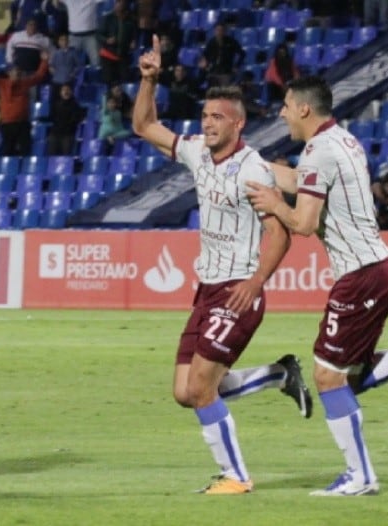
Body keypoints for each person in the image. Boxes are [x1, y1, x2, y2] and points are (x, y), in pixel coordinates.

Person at [132, 36, 307, 495]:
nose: (207, 124)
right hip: (207, 290)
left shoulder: (253, 170)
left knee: (201, 390)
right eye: (205, 115)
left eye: (217, 118)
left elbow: (279, 233)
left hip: (238, 290)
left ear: (239, 123)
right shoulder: (195, 152)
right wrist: (148, 80)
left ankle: (236, 476)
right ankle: (279, 374)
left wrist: (256, 281)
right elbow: (144, 125)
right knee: (183, 392)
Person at [247, 75, 388, 496]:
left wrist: (275, 204)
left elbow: (305, 224)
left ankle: (360, 476)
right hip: (378, 266)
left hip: (361, 274)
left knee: (328, 377)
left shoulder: (318, 153)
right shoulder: (341, 141)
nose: (282, 113)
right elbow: (303, 180)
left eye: (286, 106)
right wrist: (252, 165)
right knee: (349, 376)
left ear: (304, 109)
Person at [0, 51, 49, 156]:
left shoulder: (25, 82)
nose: (17, 73)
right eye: (14, 71)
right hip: (7, 124)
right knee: (7, 149)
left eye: (18, 71)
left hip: (23, 123)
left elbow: (39, 76)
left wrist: (44, 61)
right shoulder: (1, 83)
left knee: (25, 149)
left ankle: (25, 171)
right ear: (9, 73)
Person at [97, 0, 137, 85]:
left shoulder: (130, 20)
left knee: (126, 78)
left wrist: (133, 42)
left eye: (123, 3)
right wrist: (107, 40)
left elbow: (134, 35)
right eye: (118, 3)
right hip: (108, 55)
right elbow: (99, 35)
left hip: (123, 55)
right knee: (108, 80)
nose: (120, 5)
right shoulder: (107, 18)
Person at [198, 23, 244, 88]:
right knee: (213, 94)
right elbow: (205, 55)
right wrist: (205, 64)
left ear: (225, 31)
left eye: (221, 30)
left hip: (226, 72)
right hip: (213, 72)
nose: (219, 32)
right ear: (215, 31)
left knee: (224, 93)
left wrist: (237, 66)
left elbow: (242, 54)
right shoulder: (211, 42)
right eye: (218, 30)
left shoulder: (231, 42)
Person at [47, 83, 86, 155]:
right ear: (60, 92)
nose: (66, 92)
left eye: (68, 90)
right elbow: (52, 117)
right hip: (55, 133)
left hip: (68, 135)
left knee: (65, 157)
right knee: (51, 156)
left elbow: (77, 119)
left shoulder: (75, 105)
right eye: (64, 90)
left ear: (71, 92)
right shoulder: (56, 104)